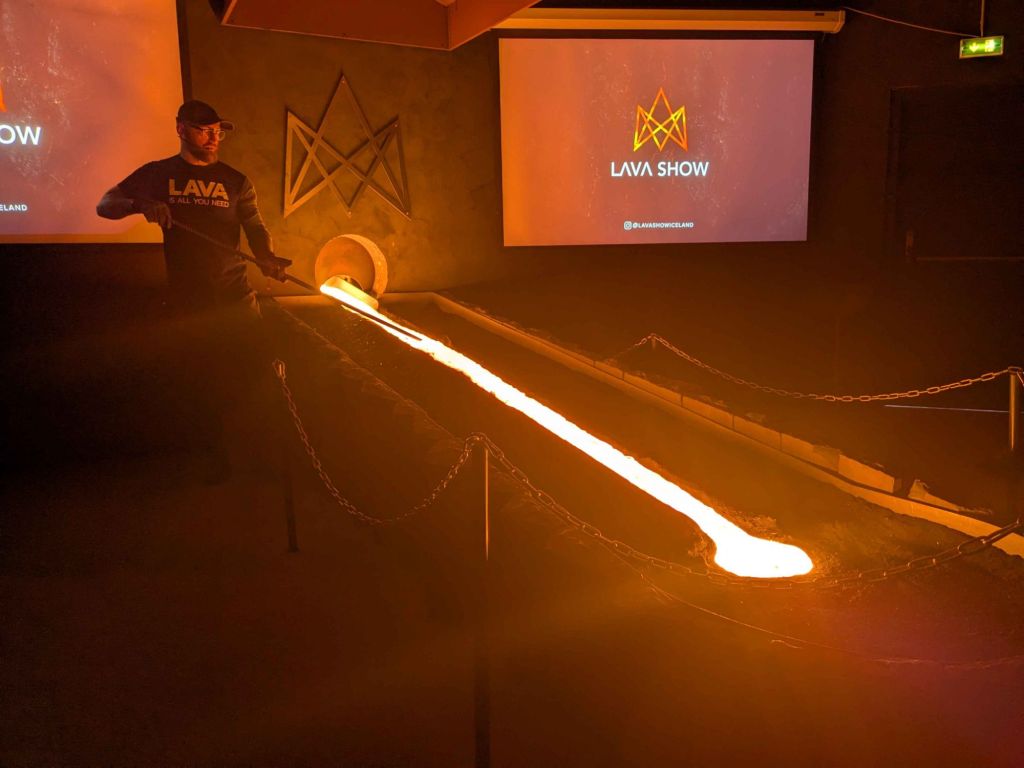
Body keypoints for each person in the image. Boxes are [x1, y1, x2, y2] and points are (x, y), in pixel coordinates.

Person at [97, 99, 291, 481]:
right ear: (181, 129)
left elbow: (253, 226)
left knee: (254, 374)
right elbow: (105, 205)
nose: (213, 137)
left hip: (236, 296)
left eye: (218, 130)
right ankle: (215, 459)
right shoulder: (158, 174)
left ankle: (263, 456)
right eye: (204, 130)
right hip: (189, 301)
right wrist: (141, 204)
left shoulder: (236, 181)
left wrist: (267, 256)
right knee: (202, 382)